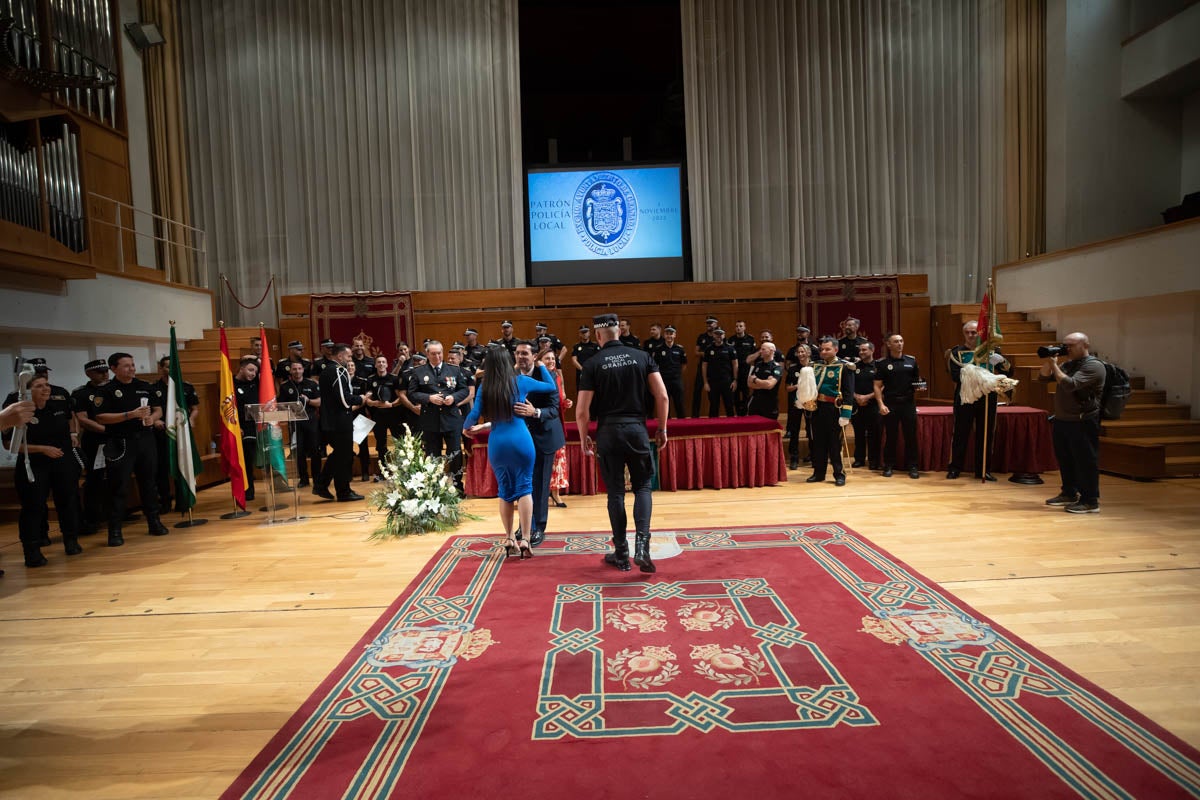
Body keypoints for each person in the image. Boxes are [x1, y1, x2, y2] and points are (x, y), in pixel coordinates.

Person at [576, 313, 669, 572]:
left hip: (608, 432)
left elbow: (582, 411)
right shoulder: (642, 356)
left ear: (598, 335)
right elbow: (662, 396)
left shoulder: (592, 363)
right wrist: (662, 428)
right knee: (643, 487)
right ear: (619, 331)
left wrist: (584, 437)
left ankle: (621, 552)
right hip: (636, 429)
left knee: (615, 492)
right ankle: (642, 547)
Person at [463, 346, 558, 559]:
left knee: (505, 491)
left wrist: (466, 427)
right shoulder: (521, 381)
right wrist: (541, 366)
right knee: (525, 488)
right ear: (509, 362)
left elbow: (474, 414)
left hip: (498, 442)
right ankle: (526, 539)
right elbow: (551, 387)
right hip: (521, 439)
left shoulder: (485, 386)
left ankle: (508, 538)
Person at [7, 373, 84, 567]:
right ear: (27, 391)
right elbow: (10, 445)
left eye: (47, 385)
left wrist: (73, 435)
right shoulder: (18, 411)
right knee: (33, 507)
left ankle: (71, 540)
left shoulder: (57, 404)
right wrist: (42, 449)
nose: (46, 389)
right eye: (39, 386)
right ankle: (32, 551)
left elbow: (70, 419)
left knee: (68, 501)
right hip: (33, 463)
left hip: (62, 460)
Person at [94, 352, 169, 545]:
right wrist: (129, 415)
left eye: (133, 365)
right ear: (114, 369)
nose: (132, 368)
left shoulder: (144, 386)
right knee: (119, 486)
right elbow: (101, 417)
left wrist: (152, 418)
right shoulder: (107, 390)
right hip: (121, 442)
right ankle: (115, 530)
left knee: (149, 483)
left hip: (145, 440)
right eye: (126, 365)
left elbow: (158, 409)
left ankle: (154, 522)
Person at [1039, 333, 1106, 514]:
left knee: (1085, 461)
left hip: (1083, 420)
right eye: (1065, 345)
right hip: (1063, 419)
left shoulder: (1094, 365)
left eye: (1071, 345)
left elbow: (1070, 384)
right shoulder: (1068, 364)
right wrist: (1049, 361)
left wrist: (1054, 365)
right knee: (1065, 459)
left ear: (1085, 345)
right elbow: (1042, 378)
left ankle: (1090, 501)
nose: (1066, 348)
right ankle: (1069, 493)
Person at [507, 342, 563, 547]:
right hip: (519, 438)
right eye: (518, 353)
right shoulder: (511, 376)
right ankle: (524, 525)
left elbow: (554, 409)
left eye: (525, 353)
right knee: (522, 483)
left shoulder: (548, 376)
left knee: (539, 484)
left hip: (544, 436)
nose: (521, 356)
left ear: (534, 357)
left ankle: (538, 527)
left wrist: (535, 412)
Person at [947, 320, 1012, 481]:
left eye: (974, 332)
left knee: (986, 434)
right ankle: (955, 468)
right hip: (966, 397)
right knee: (960, 433)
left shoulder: (992, 351)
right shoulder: (956, 353)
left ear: (980, 333)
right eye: (967, 332)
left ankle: (983, 470)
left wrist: (1001, 362)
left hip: (987, 397)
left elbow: (1009, 372)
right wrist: (981, 374)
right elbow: (955, 376)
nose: (971, 335)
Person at [407, 340, 470, 493]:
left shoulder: (454, 369)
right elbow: (412, 393)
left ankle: (457, 486)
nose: (437, 357)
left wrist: (453, 398)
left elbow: (464, 390)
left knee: (455, 453)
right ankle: (434, 487)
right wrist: (428, 398)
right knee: (432, 455)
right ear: (427, 354)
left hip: (451, 418)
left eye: (439, 353)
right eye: (433, 354)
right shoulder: (418, 372)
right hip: (430, 420)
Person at [314, 343, 370, 501]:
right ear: (340, 356)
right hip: (339, 421)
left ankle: (322, 484)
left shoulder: (327, 370)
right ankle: (343, 492)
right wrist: (361, 399)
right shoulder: (338, 370)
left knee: (340, 454)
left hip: (332, 420)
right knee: (345, 456)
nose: (350, 359)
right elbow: (344, 400)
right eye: (348, 356)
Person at [152, 355, 200, 511]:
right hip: (162, 433)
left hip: (182, 432)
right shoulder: (154, 388)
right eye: (167, 366)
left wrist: (191, 419)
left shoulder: (186, 387)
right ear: (161, 368)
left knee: (183, 465)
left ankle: (183, 501)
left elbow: (195, 409)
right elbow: (151, 410)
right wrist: (155, 421)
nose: (170, 369)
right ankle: (165, 502)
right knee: (162, 469)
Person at [874, 333, 924, 479]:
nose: (900, 344)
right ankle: (888, 465)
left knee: (911, 436)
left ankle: (913, 466)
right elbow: (877, 386)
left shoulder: (911, 361)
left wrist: (920, 386)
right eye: (896, 341)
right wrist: (881, 404)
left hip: (908, 404)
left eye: (901, 341)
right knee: (891, 436)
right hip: (891, 403)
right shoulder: (882, 363)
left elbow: (917, 382)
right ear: (889, 344)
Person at [806, 337, 854, 486]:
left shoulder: (845, 367)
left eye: (827, 349)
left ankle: (839, 474)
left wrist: (846, 415)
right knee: (818, 443)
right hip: (817, 408)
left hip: (835, 410)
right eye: (822, 349)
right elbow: (808, 386)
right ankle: (819, 473)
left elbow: (849, 393)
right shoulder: (815, 366)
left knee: (835, 444)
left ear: (836, 350)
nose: (824, 352)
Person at [72, 359, 111, 531]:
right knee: (95, 479)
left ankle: (115, 513)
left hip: (115, 438)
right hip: (95, 440)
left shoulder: (113, 388)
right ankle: (93, 517)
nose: (105, 374)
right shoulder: (81, 393)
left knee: (116, 476)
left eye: (106, 371)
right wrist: (107, 430)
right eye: (100, 372)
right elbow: (82, 419)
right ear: (89, 374)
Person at [279, 360, 322, 487]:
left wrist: (308, 401)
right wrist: (290, 407)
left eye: (299, 368)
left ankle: (317, 478)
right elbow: (280, 405)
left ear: (303, 370)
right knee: (299, 451)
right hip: (295, 423)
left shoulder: (312, 384)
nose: (297, 371)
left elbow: (319, 402)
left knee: (315, 450)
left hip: (311, 421)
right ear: (290, 371)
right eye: (294, 369)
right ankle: (303, 479)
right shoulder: (285, 386)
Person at [539, 349, 571, 508]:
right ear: (539, 361)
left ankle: (556, 493)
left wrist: (565, 404)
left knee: (558, 458)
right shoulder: (536, 378)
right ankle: (541, 494)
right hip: (541, 423)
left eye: (553, 358)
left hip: (556, 423)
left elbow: (557, 401)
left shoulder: (557, 377)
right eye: (547, 358)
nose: (551, 361)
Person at [364, 355, 400, 478]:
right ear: (375, 365)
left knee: (398, 441)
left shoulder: (393, 379)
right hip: (378, 415)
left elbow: (401, 397)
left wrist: (391, 405)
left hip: (394, 414)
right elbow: (367, 398)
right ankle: (383, 471)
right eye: (378, 362)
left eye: (383, 362)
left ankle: (401, 470)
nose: (381, 364)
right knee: (380, 444)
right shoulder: (370, 379)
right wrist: (374, 403)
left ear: (387, 365)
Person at [850, 342, 881, 470]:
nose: (861, 352)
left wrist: (867, 397)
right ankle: (859, 459)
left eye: (864, 350)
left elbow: (882, 386)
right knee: (859, 433)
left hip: (873, 404)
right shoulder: (854, 367)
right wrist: (856, 397)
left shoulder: (878, 366)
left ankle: (874, 460)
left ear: (872, 350)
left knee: (874, 434)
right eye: (860, 350)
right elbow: (848, 385)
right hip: (857, 404)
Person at [233, 356, 260, 500]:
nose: (253, 374)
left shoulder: (255, 383)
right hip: (239, 428)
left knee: (251, 458)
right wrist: (236, 426)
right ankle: (246, 490)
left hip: (256, 426)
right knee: (244, 461)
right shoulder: (230, 384)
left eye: (255, 371)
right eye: (250, 370)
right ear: (242, 368)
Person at [785, 344, 813, 469]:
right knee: (794, 430)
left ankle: (813, 455)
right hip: (795, 403)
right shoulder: (793, 369)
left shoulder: (815, 367)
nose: (800, 354)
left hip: (810, 403)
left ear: (809, 353)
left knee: (811, 430)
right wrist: (799, 385)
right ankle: (794, 458)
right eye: (798, 352)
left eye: (803, 352)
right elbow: (788, 388)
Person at [702, 327, 737, 417]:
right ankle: (712, 426)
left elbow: (735, 364)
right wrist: (705, 382)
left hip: (727, 381)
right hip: (713, 382)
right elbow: (704, 366)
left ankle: (731, 425)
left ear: (724, 335)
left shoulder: (730, 348)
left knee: (729, 406)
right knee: (713, 407)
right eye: (717, 334)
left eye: (721, 334)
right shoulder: (708, 349)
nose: (719, 336)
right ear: (713, 335)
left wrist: (735, 380)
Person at [746, 341, 783, 419]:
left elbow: (770, 385)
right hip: (755, 401)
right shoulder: (758, 364)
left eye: (763, 349)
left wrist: (755, 380)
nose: (760, 351)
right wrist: (764, 383)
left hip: (770, 402)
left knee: (769, 425)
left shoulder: (776, 367)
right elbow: (749, 383)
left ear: (771, 351)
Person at [691, 316, 719, 417]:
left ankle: (713, 416)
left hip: (714, 369)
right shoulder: (701, 337)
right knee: (697, 392)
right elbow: (696, 352)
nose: (709, 325)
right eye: (707, 323)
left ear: (716, 324)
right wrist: (705, 353)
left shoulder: (718, 337)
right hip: (701, 368)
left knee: (713, 394)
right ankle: (695, 416)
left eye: (711, 323)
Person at [729, 320, 758, 415]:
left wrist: (753, 371)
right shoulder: (731, 340)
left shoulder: (750, 339)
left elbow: (754, 356)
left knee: (746, 393)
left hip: (746, 370)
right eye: (737, 326)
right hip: (734, 371)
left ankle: (745, 413)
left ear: (744, 327)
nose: (738, 328)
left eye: (741, 326)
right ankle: (738, 414)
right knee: (735, 394)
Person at [658, 325, 687, 418]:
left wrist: (677, 374)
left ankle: (682, 423)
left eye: (671, 334)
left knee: (679, 403)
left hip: (676, 380)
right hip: (664, 380)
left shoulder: (680, 349)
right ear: (664, 335)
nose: (669, 336)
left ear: (675, 335)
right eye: (667, 333)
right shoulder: (659, 349)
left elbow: (684, 364)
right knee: (665, 403)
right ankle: (667, 423)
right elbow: (655, 365)